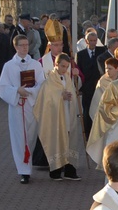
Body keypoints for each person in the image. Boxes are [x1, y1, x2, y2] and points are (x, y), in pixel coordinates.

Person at [0, 35, 46, 184]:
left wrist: (30, 92)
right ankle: (24, 171)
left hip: (31, 105)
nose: (25, 47)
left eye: (26, 45)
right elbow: (2, 87)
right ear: (16, 47)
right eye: (21, 45)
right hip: (17, 106)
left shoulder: (36, 65)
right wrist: (17, 91)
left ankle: (28, 163)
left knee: (30, 136)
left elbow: (42, 84)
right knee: (19, 138)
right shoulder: (9, 66)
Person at [33, 53, 82, 181]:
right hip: (55, 118)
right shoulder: (49, 81)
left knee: (70, 140)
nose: (64, 69)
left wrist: (70, 96)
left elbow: (74, 90)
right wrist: (61, 97)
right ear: (56, 64)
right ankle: (55, 171)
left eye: (67, 67)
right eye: (62, 66)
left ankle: (70, 171)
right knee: (57, 140)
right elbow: (46, 100)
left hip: (68, 114)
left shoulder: (68, 78)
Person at [75, 30, 106, 135]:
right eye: (91, 40)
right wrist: (80, 88)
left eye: (95, 40)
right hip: (87, 88)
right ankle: (88, 134)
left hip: (99, 86)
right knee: (87, 111)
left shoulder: (102, 51)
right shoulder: (80, 54)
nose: (93, 43)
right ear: (86, 41)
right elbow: (79, 71)